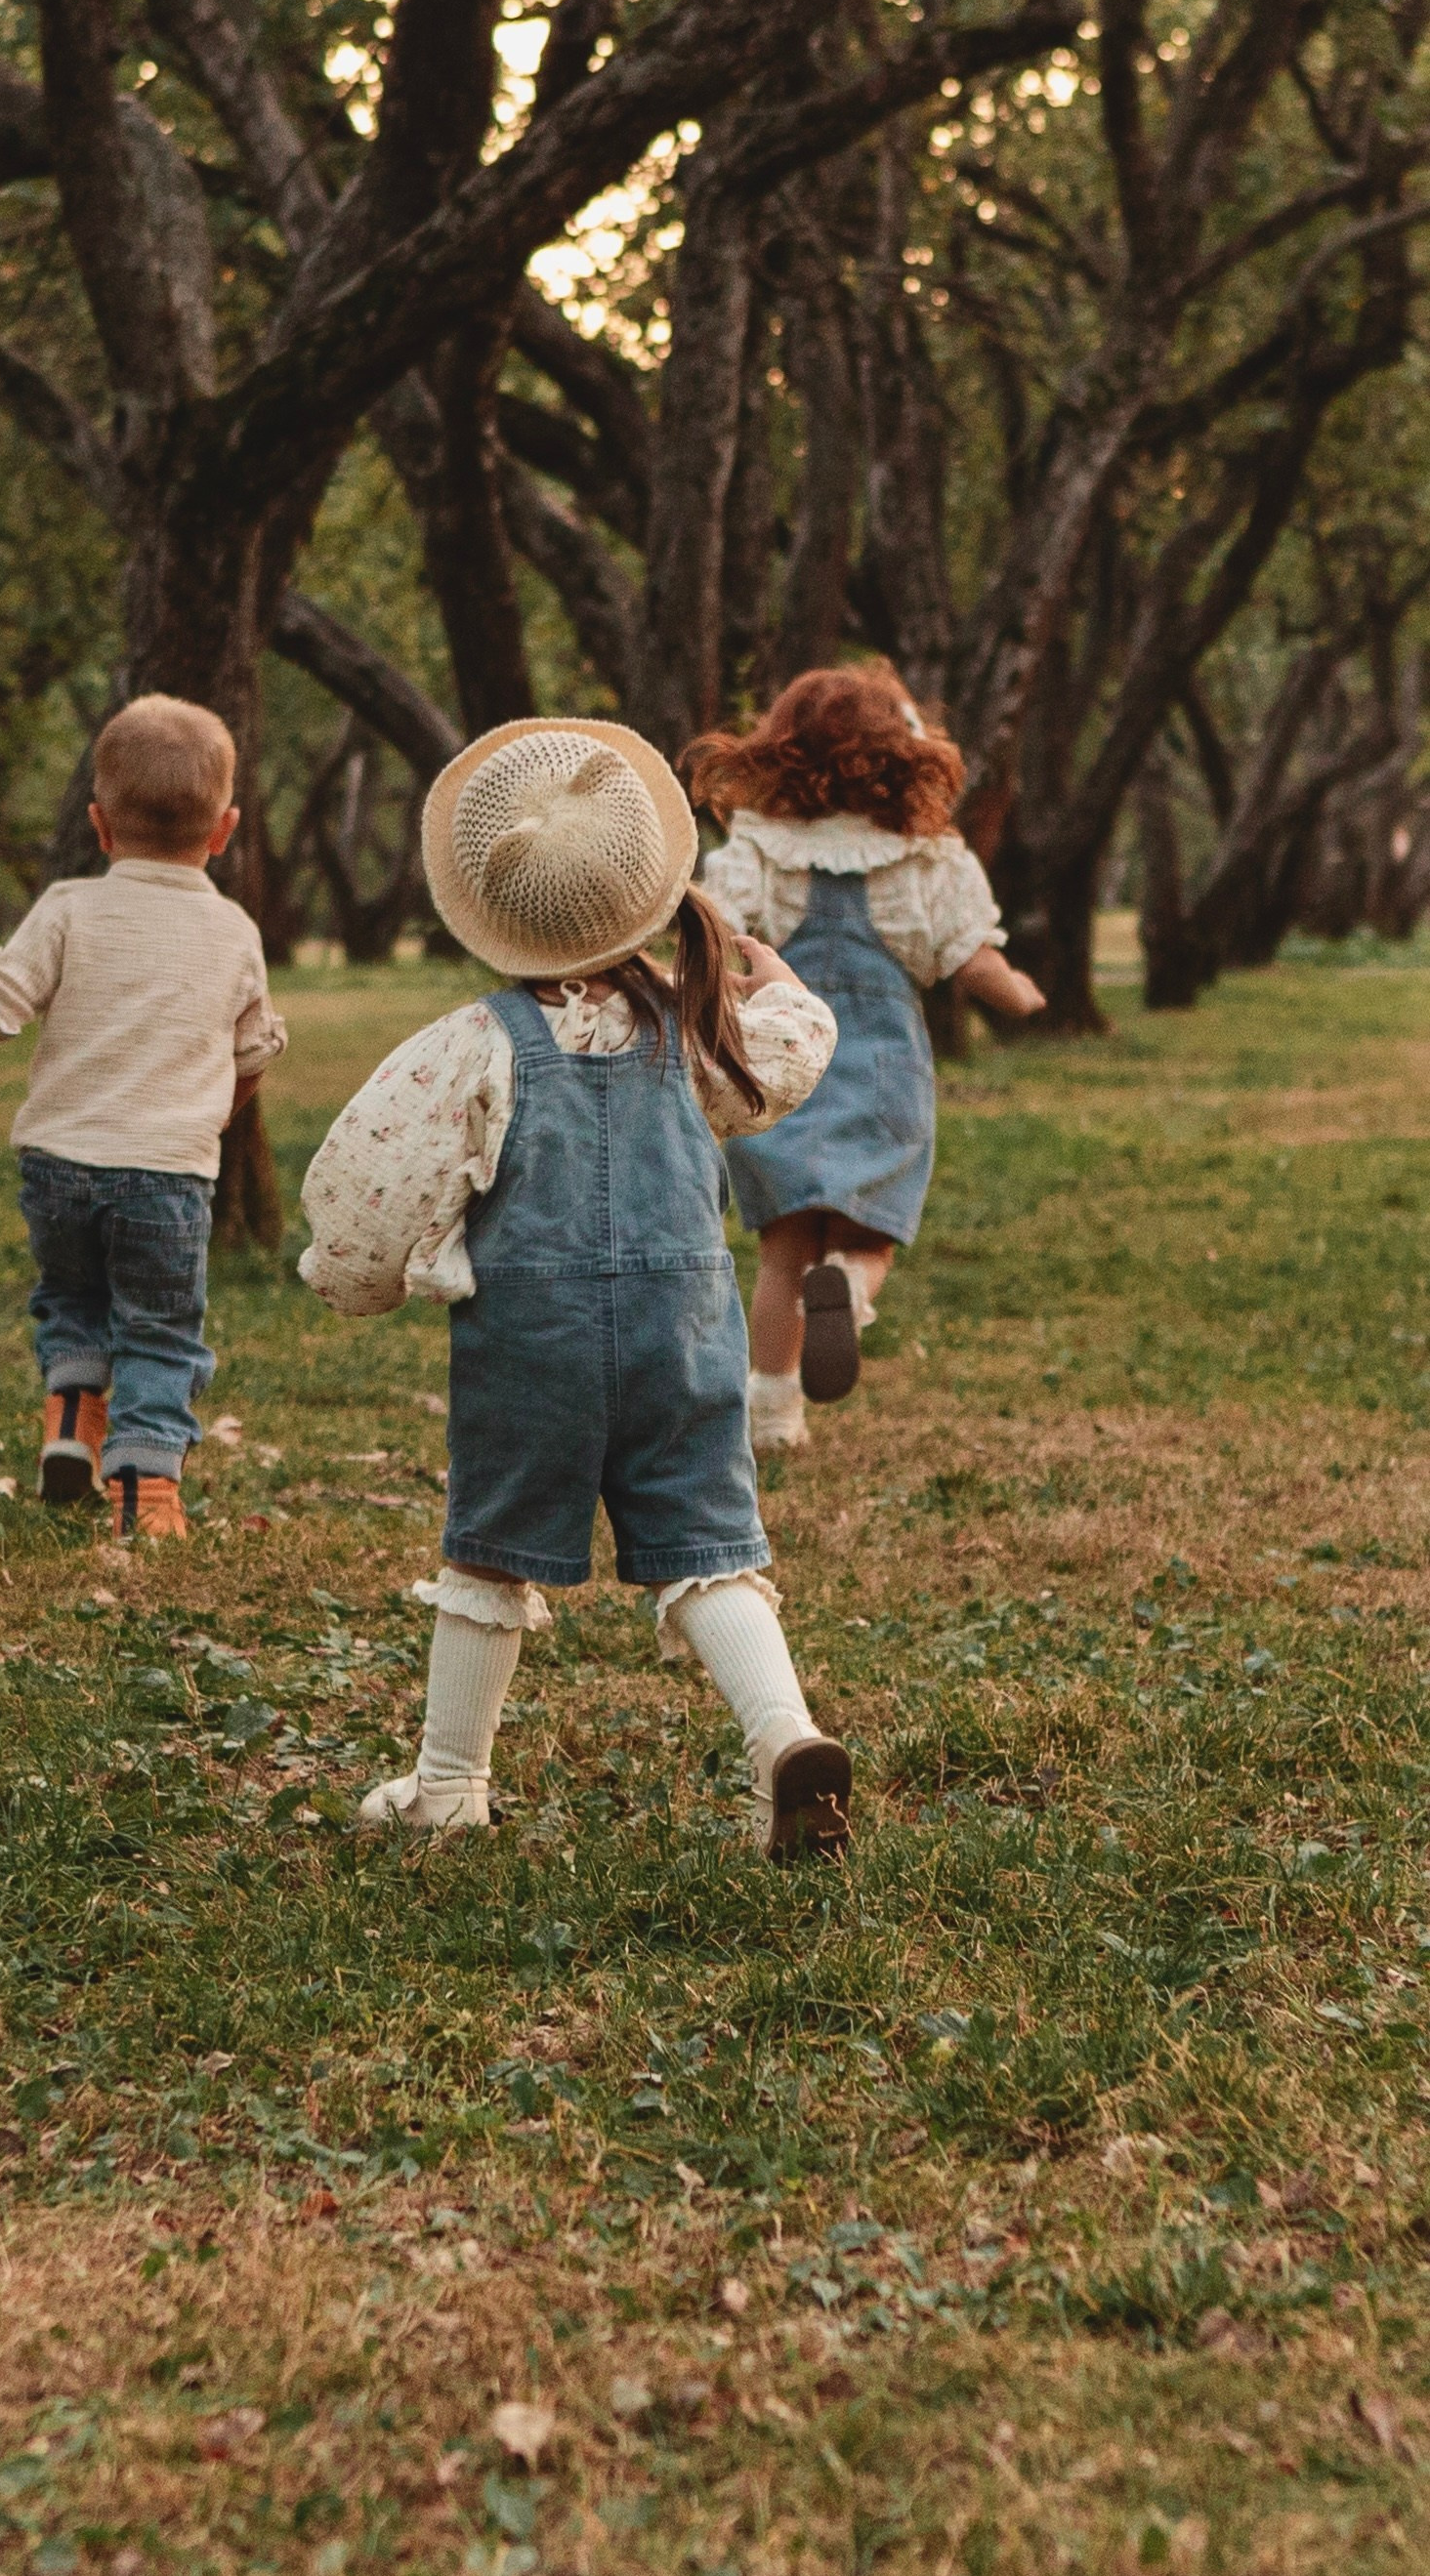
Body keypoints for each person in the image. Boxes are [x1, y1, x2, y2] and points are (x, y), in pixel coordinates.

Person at [300, 717, 853, 1860]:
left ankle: (449, 1783)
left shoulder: (472, 1044)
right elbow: (790, 1055)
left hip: (528, 1349)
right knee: (708, 1546)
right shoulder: (694, 1026)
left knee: (489, 1551)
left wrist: (344, 1279)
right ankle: (784, 1735)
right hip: (684, 1338)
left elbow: (366, 1182)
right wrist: (781, 980)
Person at [0, 694, 285, 1543]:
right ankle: (145, 1489)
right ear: (224, 830)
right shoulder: (233, 931)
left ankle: (72, 1422)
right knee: (157, 1327)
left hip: (57, 1167)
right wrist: (204, 1118)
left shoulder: (68, 908)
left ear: (99, 826)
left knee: (72, 1295)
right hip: (167, 1175)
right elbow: (251, 1058)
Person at [685, 666, 1046, 1455]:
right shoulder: (927, 860)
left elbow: (711, 943)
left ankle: (771, 1415)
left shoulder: (753, 851)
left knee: (782, 1252)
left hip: (779, 1067)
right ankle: (848, 1283)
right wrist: (1019, 994)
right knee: (867, 1233)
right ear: (901, 758)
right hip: (882, 1073)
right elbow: (969, 957)